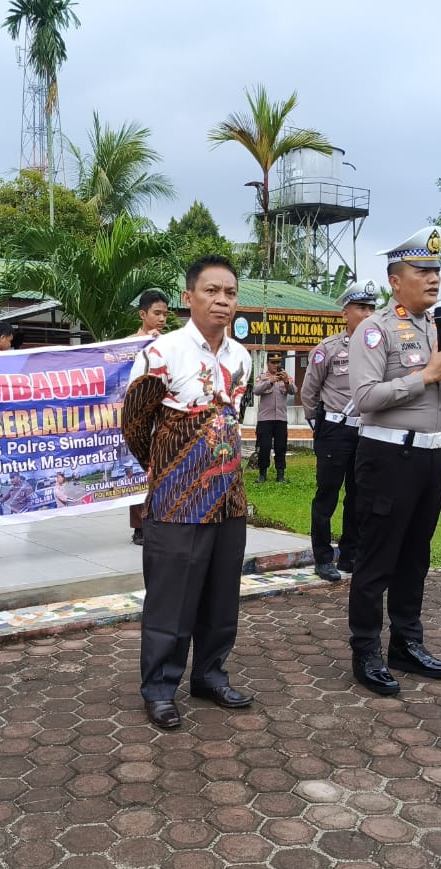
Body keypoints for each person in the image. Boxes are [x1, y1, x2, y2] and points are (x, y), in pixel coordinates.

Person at [121, 254, 253, 730]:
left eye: (230, 293)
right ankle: (159, 688)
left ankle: (210, 675)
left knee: (222, 595)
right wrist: (168, 468)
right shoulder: (163, 352)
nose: (222, 301)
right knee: (171, 600)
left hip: (229, 494)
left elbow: (233, 418)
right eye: (212, 291)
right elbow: (135, 424)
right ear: (189, 297)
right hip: (177, 496)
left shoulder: (241, 356)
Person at [346, 226, 441, 697]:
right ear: (396, 281)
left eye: (437, 270)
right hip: (387, 458)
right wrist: (425, 376)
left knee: (415, 558)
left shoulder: (434, 328)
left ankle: (406, 643)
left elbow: (432, 388)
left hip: (430, 458)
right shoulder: (375, 331)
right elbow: (364, 398)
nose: (434, 278)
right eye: (423, 270)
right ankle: (366, 652)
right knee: (376, 562)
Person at [301, 279, 375, 582]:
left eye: (372, 307)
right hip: (334, 430)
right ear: (345, 313)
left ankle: (349, 555)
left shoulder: (378, 349)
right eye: (361, 307)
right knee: (327, 496)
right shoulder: (328, 349)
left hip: (367, 432)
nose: (368, 313)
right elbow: (309, 391)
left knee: (358, 497)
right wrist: (318, 425)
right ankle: (322, 557)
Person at [129, 289, 170, 545]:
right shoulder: (131, 343)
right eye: (157, 313)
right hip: (138, 417)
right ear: (143, 314)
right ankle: (139, 526)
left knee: (160, 470)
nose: (162, 319)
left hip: (162, 417)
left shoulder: (170, 343)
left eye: (165, 314)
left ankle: (160, 518)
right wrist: (146, 345)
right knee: (136, 472)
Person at [254, 352, 293, 482]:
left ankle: (280, 474)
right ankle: (262, 474)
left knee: (280, 447)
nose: (276, 365)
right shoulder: (262, 377)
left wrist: (286, 381)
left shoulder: (286, 377)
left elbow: (294, 391)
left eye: (278, 362)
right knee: (264, 447)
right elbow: (256, 390)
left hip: (281, 419)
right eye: (273, 362)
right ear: (268, 364)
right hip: (265, 419)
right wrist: (269, 382)